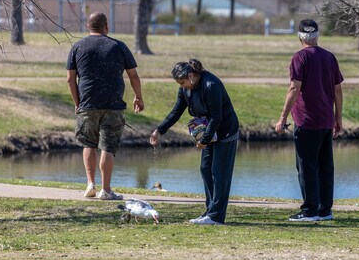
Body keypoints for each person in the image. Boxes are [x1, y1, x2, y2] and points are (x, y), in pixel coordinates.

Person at [150, 59, 239, 225]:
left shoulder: (211, 85)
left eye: (183, 82)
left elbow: (216, 117)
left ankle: (217, 217)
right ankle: (210, 212)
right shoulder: (185, 89)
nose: (182, 86)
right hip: (209, 132)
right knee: (206, 170)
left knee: (219, 173)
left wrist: (204, 140)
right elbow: (177, 111)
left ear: (191, 76)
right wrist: (159, 130)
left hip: (225, 132)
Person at [66, 11, 144, 200]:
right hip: (113, 104)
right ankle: (106, 190)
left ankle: (90, 184)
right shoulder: (119, 46)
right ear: (106, 26)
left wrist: (77, 103)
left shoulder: (78, 46)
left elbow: (70, 79)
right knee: (108, 147)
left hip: (87, 103)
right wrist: (138, 97)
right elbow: (133, 75)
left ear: (88, 26)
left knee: (88, 144)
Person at [275, 19, 344, 222]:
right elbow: (337, 90)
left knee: (306, 166)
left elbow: (294, 88)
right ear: (317, 36)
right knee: (325, 166)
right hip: (326, 120)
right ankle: (325, 210)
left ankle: (310, 211)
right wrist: (337, 117)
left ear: (299, 37)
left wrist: (282, 118)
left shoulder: (300, 57)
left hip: (306, 121)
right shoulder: (329, 57)